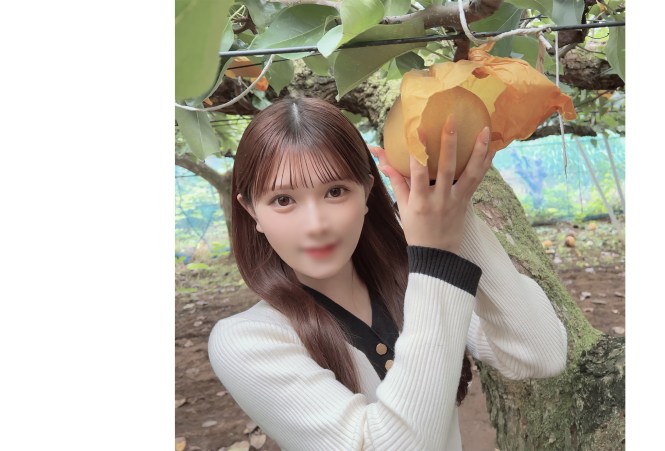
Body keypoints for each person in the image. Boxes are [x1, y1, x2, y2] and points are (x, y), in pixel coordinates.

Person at [208, 96, 568, 451]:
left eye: (335, 191)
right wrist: (436, 256)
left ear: (367, 191)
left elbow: (541, 353)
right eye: (283, 200)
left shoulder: (415, 284)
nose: (316, 225)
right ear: (251, 210)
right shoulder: (247, 340)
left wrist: (454, 211)